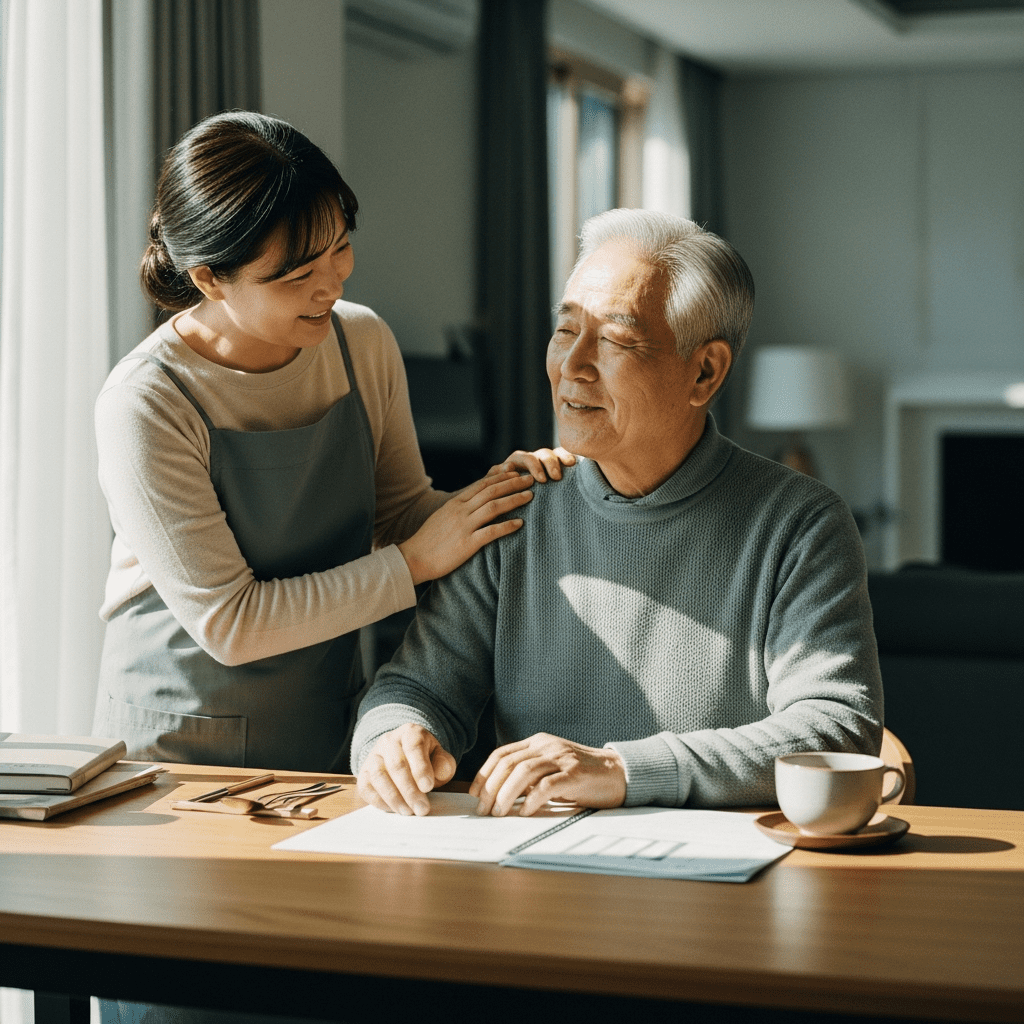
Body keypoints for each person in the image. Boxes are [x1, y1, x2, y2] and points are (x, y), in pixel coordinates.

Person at [352, 208, 884, 817]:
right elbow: (414, 688)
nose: (572, 366)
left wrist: (621, 770)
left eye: (614, 340)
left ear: (704, 371)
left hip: (724, 888)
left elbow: (835, 727)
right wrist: (391, 738)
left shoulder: (801, 524)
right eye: (565, 331)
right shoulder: (513, 507)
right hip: (535, 877)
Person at [91, 110, 571, 774]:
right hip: (179, 752)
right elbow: (231, 623)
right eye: (295, 275)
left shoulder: (359, 341)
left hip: (325, 722)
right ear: (208, 278)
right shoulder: (146, 402)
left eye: (339, 246)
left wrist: (501, 497)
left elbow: (402, 511)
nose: (332, 282)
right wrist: (412, 565)